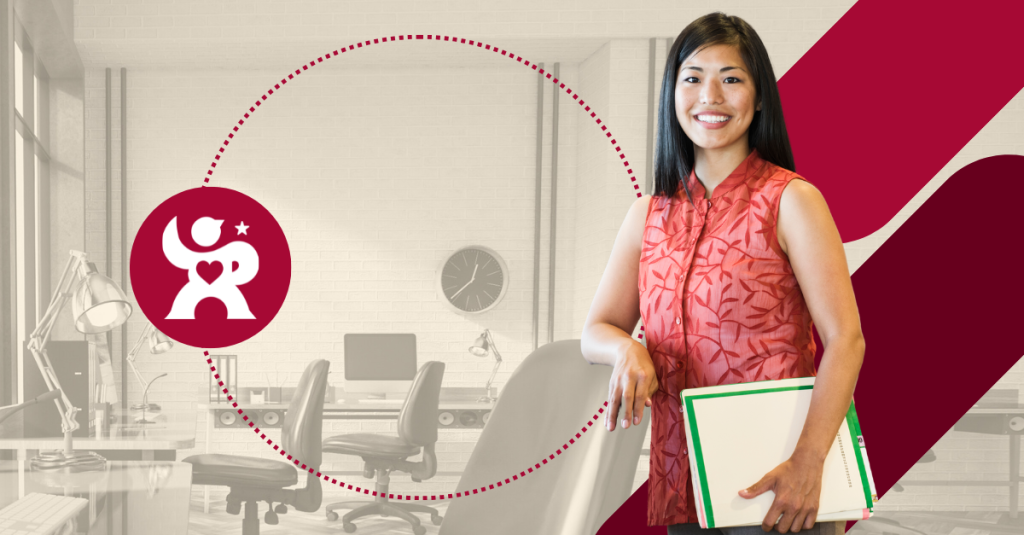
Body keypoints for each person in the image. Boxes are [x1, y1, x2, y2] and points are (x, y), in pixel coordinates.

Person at [580, 12, 865, 535]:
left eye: (731, 79)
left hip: (778, 482)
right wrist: (627, 348)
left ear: (758, 99)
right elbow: (596, 330)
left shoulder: (791, 200)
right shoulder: (648, 215)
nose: (709, 95)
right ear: (673, 96)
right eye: (693, 78)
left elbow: (845, 339)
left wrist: (808, 463)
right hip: (679, 479)